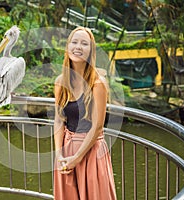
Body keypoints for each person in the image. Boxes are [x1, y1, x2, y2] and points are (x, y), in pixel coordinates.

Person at [53, 26, 117, 200]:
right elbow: (59, 120)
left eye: (84, 44)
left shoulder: (98, 83)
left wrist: (77, 157)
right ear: (67, 47)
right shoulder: (60, 82)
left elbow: (97, 127)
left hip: (91, 151)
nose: (78, 47)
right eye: (74, 42)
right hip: (67, 150)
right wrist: (59, 154)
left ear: (91, 51)